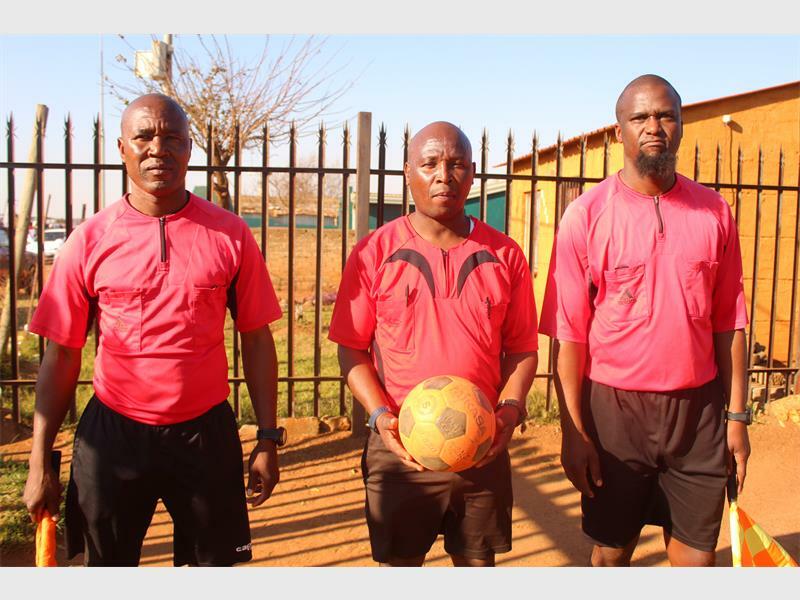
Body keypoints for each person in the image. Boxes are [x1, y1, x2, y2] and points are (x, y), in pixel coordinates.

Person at [22, 93, 286, 567]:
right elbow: (61, 355)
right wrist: (39, 459)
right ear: (122, 148)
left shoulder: (230, 235)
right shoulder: (89, 241)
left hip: (205, 434)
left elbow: (256, 337)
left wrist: (267, 437)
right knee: (106, 570)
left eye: (172, 138)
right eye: (143, 136)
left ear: (189, 149)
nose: (157, 149)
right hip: (113, 435)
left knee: (213, 570)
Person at [539, 74, 751, 566]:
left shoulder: (715, 212)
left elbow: (730, 323)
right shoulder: (585, 215)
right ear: (619, 132)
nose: (653, 126)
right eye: (640, 117)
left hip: (698, 413)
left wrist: (737, 418)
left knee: (697, 559)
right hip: (614, 411)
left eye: (665, 115)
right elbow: (569, 336)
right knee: (612, 553)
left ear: (681, 125)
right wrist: (574, 431)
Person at [329, 121, 539, 567]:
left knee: (476, 564)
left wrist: (510, 408)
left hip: (482, 447)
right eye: (430, 164)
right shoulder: (373, 252)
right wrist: (380, 416)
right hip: (400, 450)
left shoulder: (505, 254)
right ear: (408, 173)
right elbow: (351, 347)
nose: (444, 175)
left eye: (457, 163)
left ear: (472, 173)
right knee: (400, 566)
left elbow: (522, 348)